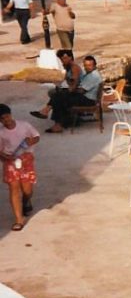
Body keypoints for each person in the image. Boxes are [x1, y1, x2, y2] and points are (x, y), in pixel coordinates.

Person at [31, 52, 101, 133]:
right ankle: (53, 118)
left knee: (59, 96)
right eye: (85, 65)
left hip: (88, 100)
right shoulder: (89, 74)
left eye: (89, 65)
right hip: (84, 97)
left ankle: (48, 113)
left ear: (94, 65)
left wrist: (71, 90)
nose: (87, 67)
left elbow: (82, 90)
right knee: (59, 96)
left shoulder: (94, 76)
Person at [0, 103, 40, 231]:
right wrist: (6, 157)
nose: (6, 120)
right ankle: (19, 219)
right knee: (14, 188)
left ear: (11, 114)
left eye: (7, 116)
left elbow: (37, 136)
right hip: (10, 161)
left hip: (26, 159)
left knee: (27, 189)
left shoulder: (24, 125)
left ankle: (26, 200)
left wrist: (31, 141)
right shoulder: (1, 133)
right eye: (2, 119)